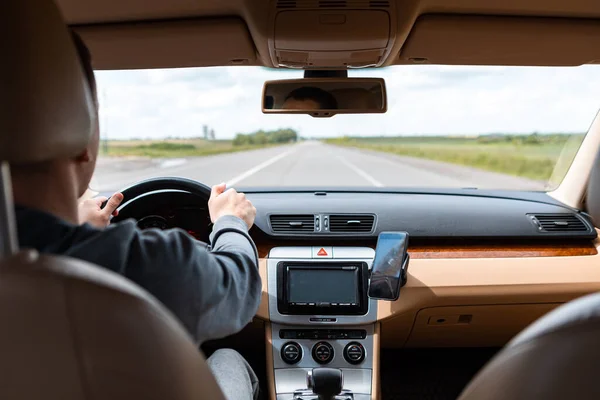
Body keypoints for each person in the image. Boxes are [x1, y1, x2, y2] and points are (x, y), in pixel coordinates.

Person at [11, 31, 261, 400]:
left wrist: (73, 229)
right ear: (81, 135)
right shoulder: (140, 263)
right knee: (227, 358)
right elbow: (238, 290)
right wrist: (231, 223)